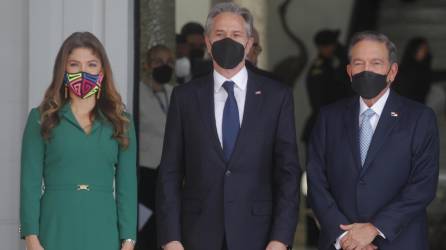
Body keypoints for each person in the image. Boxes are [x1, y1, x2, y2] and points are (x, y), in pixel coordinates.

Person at [156, 3, 301, 250]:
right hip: (196, 236)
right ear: (207, 42)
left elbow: (288, 173)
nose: (228, 41)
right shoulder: (185, 97)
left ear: (248, 43)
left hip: (259, 236)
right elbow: (169, 172)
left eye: (236, 35)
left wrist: (281, 239)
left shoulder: (277, 97)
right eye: (220, 35)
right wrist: (171, 239)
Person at [307, 31, 439, 250]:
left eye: (376, 63)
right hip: (342, 244)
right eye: (359, 63)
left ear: (392, 71)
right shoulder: (328, 117)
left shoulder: (419, 118)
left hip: (400, 242)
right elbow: (316, 180)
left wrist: (374, 229)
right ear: (349, 71)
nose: (366, 70)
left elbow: (423, 185)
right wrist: (345, 238)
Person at [20, 32, 137, 250]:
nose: (83, 72)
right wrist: (31, 238)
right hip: (54, 227)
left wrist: (128, 240)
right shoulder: (41, 118)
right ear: (63, 70)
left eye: (91, 64)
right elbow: (30, 183)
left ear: (102, 71)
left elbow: (127, 187)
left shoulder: (121, 122)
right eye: (74, 65)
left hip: (103, 228)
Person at [136, 44, 174, 250]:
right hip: (145, 172)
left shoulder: (174, 93)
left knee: (165, 231)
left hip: (168, 174)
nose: (165, 66)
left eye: (169, 62)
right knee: (146, 231)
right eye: (159, 61)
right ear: (147, 65)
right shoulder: (137, 93)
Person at [394, 37, 432, 104]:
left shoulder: (424, 70)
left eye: (426, 49)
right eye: (422, 49)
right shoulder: (404, 70)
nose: (425, 52)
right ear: (414, 50)